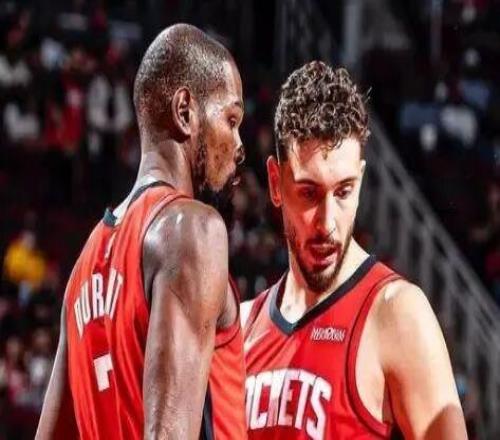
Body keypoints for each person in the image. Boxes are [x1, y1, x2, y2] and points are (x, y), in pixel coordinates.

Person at [36, 24, 247, 440]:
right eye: (231, 119)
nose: (239, 145)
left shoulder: (83, 271)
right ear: (185, 112)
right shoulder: (193, 230)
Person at [241, 61, 467, 439]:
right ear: (276, 183)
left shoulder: (397, 314)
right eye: (309, 193)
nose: (328, 222)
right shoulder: (245, 327)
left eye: (343, 191)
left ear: (360, 182)